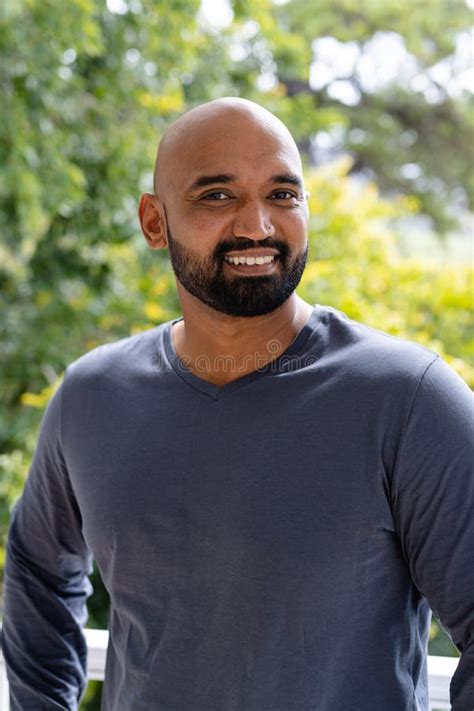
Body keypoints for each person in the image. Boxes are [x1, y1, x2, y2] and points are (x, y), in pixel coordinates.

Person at [1, 97, 473, 711]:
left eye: (283, 194)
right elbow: (38, 576)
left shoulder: (408, 398)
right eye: (217, 196)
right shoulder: (91, 396)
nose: (258, 225)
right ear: (154, 222)